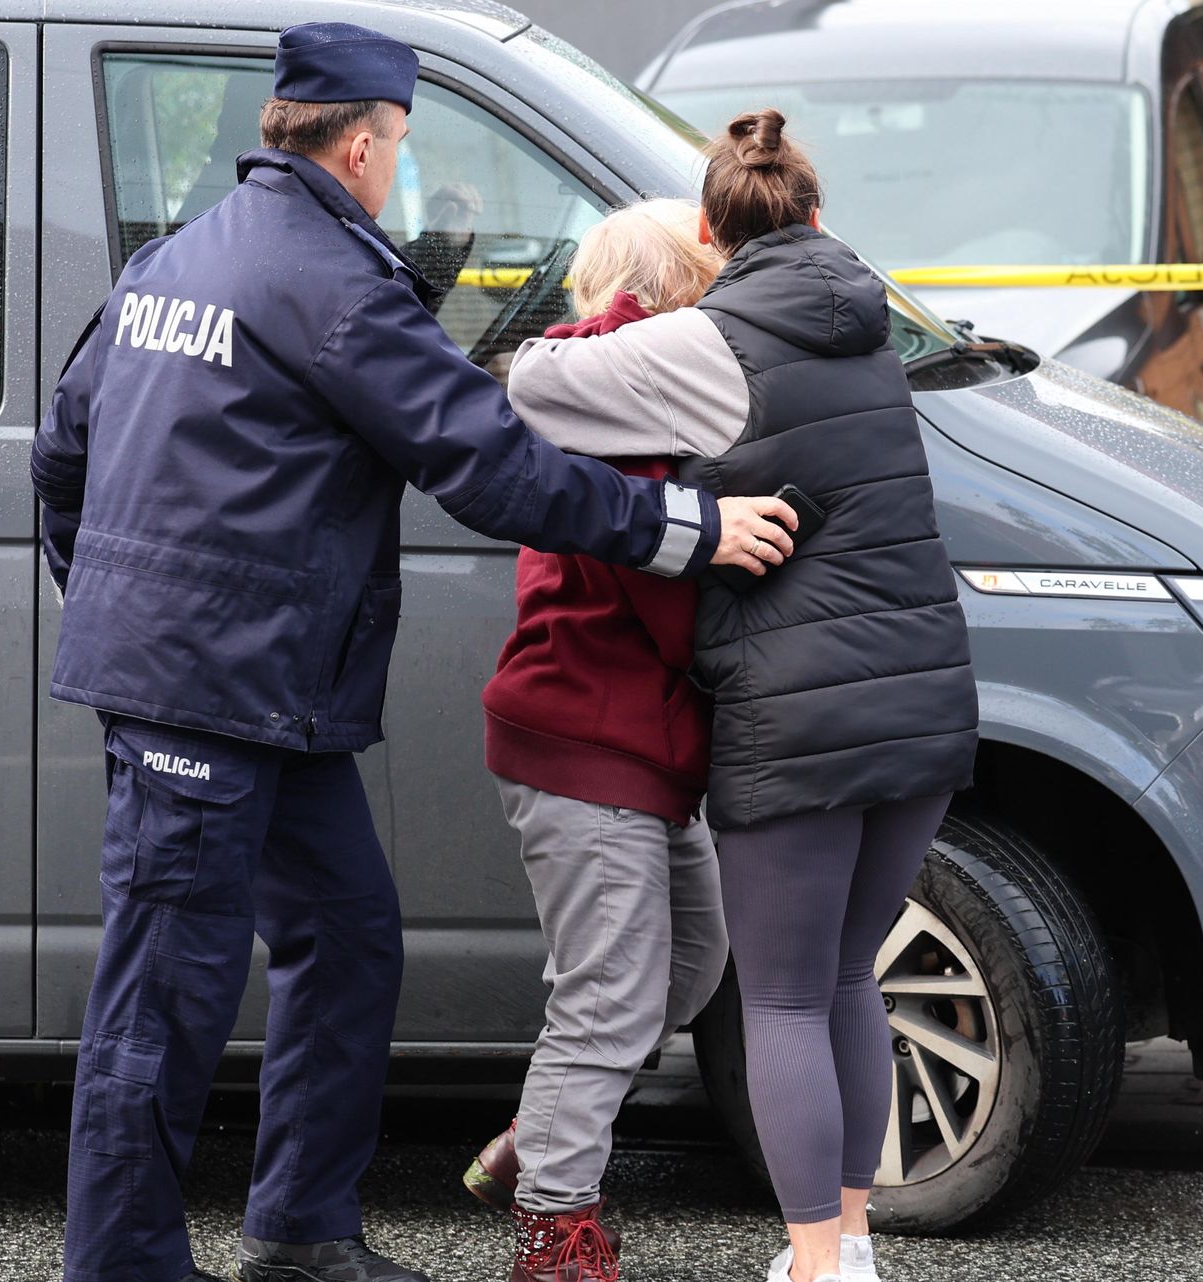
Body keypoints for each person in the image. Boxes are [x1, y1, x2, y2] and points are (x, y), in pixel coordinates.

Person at [29, 22, 800, 1282]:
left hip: (255, 689)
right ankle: (120, 1265)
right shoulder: (327, 282)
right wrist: (683, 526)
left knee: (349, 933)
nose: (396, 162)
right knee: (165, 992)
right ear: (367, 140)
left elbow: (63, 455)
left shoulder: (180, 258)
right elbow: (487, 463)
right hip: (207, 693)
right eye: (398, 143)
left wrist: (114, 604)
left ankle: (301, 1235)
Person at [495, 110, 980, 1282]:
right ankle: (852, 1240)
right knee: (850, 972)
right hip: (922, 708)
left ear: (715, 233)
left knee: (785, 1001)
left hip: (797, 724)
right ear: (820, 218)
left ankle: (817, 1261)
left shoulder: (707, 345)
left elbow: (531, 378)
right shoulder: (875, 332)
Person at [459, 200, 729, 1282]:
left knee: (695, 960)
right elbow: (667, 596)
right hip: (592, 733)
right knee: (609, 996)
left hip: (625, 739)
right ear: (679, 290)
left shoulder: (605, 380)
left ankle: (543, 1132)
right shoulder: (626, 394)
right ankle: (556, 1232)